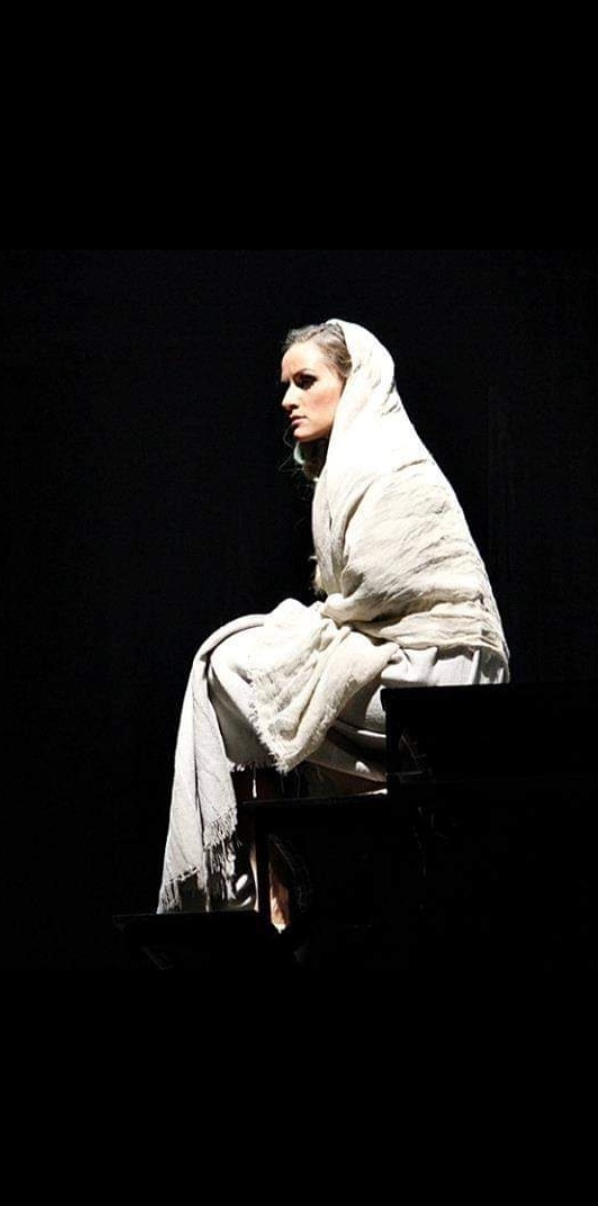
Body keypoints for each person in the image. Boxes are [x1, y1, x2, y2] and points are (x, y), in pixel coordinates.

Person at [157, 319, 509, 916]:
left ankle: (267, 887)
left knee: (233, 665)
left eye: (305, 381)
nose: (287, 399)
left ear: (353, 383)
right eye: (286, 384)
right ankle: (272, 882)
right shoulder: (352, 466)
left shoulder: (388, 463)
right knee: (229, 661)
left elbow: (383, 585)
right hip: (398, 659)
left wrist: (316, 622)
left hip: (439, 672)